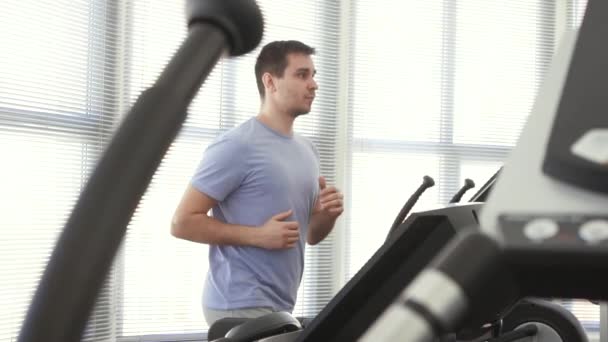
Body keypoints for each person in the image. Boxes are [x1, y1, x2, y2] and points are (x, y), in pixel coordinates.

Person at [171, 40, 344, 325]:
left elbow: (311, 235)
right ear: (270, 82)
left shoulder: (307, 151)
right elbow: (182, 222)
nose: (313, 84)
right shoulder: (237, 145)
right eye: (302, 75)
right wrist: (258, 236)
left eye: (314, 75)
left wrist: (325, 215)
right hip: (236, 304)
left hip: (279, 305)